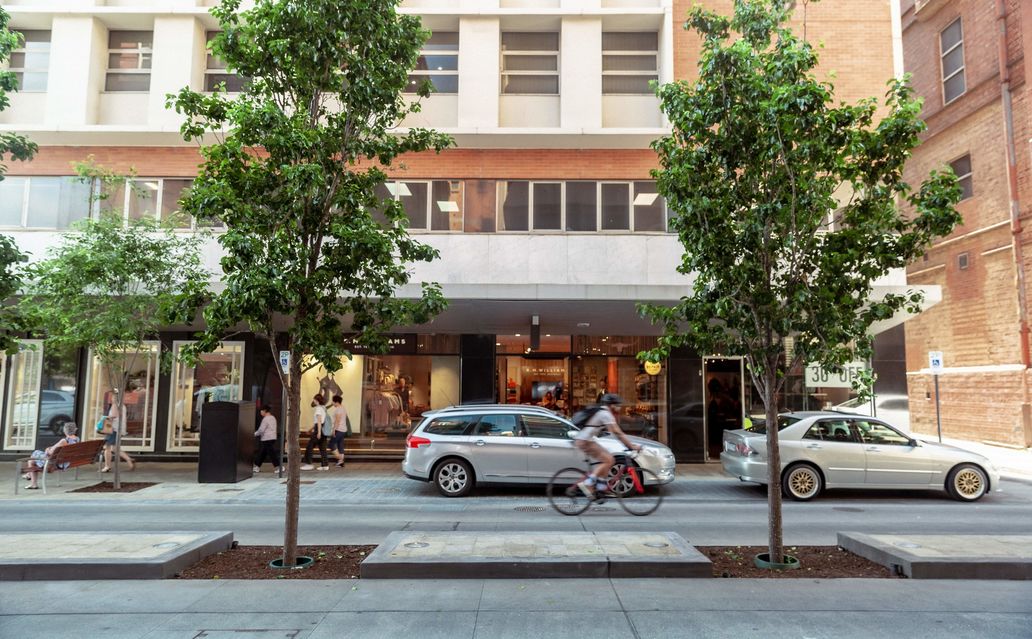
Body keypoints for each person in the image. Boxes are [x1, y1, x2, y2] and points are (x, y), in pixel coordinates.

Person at [572, 393, 641, 498]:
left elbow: (615, 432)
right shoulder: (606, 414)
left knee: (610, 459)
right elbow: (617, 433)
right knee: (608, 460)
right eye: (618, 405)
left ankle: (601, 488)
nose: (619, 407)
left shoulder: (603, 412)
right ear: (612, 405)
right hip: (584, 440)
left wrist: (627, 443)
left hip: (586, 439)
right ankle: (588, 484)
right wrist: (631, 446)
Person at [22, 422, 80, 490]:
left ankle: (32, 481)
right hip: (65, 462)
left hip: (54, 463)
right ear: (75, 430)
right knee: (33, 459)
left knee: (34, 456)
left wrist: (48, 449)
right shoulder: (77, 439)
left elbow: (50, 452)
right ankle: (29, 475)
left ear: (65, 430)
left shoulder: (64, 440)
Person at [101, 399, 135, 473]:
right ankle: (128, 459)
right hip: (119, 429)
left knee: (107, 447)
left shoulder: (115, 405)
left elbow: (114, 416)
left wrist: (104, 419)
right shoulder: (123, 406)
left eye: (112, 396)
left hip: (113, 429)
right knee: (115, 448)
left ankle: (107, 466)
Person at [301, 393, 330, 471]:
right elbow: (320, 421)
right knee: (322, 448)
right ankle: (325, 465)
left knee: (309, 446)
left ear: (317, 400)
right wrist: (311, 429)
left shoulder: (318, 409)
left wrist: (318, 432)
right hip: (323, 429)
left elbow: (319, 421)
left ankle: (308, 464)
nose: (313, 400)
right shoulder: (323, 408)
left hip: (319, 429)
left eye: (314, 399)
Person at [253, 406, 282, 473]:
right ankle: (257, 466)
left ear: (265, 411)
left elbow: (261, 430)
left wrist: (254, 434)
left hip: (266, 438)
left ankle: (278, 467)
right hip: (272, 437)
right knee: (263, 453)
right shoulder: (273, 418)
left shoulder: (265, 419)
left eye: (261, 411)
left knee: (272, 453)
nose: (260, 412)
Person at [328, 394, 348, 468]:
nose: (332, 403)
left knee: (331, 444)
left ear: (336, 402)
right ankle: (340, 462)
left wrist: (333, 430)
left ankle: (340, 459)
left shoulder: (338, 409)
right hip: (343, 430)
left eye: (332, 401)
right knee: (340, 445)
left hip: (338, 429)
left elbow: (337, 421)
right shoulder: (343, 408)